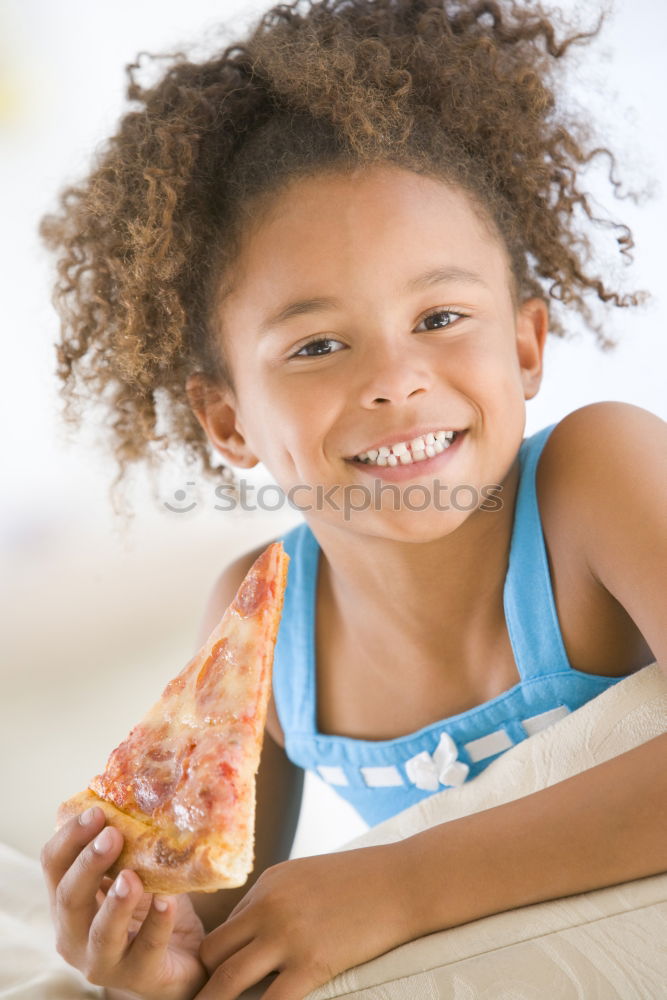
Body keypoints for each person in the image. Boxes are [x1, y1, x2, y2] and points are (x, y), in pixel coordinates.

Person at [39, 0, 666, 997]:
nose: (395, 379)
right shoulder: (262, 617)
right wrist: (145, 955)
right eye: (317, 345)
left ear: (524, 343)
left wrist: (399, 884)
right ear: (229, 419)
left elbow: (354, 901)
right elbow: (225, 932)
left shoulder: (601, 475)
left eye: (440, 315)